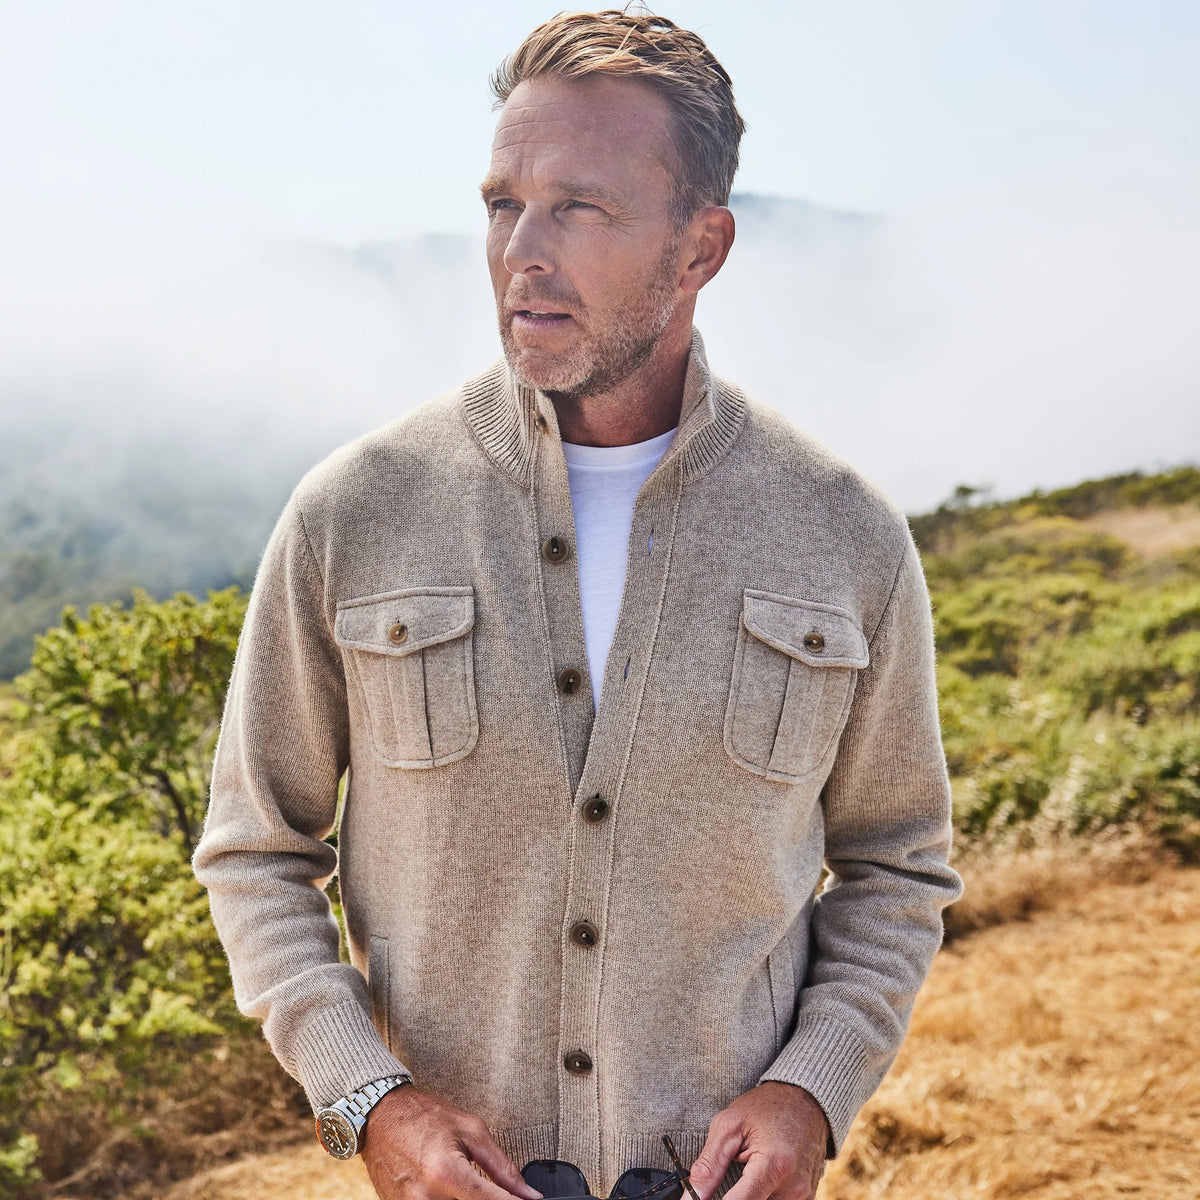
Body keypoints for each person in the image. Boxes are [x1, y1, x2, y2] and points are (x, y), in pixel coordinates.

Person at [192, 11, 963, 1200]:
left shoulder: (843, 533)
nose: (521, 251)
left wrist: (813, 1086)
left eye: (580, 208)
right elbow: (255, 849)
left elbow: (896, 865)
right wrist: (369, 1102)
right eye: (504, 204)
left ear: (701, 249)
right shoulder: (353, 512)